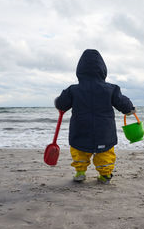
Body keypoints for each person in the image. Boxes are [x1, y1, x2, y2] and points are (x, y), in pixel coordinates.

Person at [54, 49, 136, 184]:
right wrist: (130, 109)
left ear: (79, 70)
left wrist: (58, 101)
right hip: (104, 131)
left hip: (80, 129)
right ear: (103, 70)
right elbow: (122, 102)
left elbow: (61, 104)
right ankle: (105, 174)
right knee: (105, 153)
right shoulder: (111, 88)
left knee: (79, 150)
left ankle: (80, 171)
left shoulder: (73, 90)